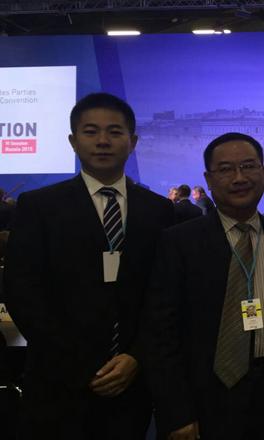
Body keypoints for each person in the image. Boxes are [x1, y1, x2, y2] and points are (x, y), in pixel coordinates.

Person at [3, 92, 175, 440]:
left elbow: (164, 294)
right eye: (91, 131)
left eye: (114, 131)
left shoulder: (158, 210)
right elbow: (23, 292)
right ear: (73, 141)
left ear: (133, 141)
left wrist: (136, 357)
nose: (102, 141)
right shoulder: (39, 206)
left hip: (131, 382)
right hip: (58, 383)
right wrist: (82, 366)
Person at [145, 132, 264, 440]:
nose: (239, 177)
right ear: (208, 179)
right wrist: (177, 412)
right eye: (226, 169)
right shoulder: (179, 242)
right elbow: (161, 332)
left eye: (248, 166)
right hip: (205, 395)